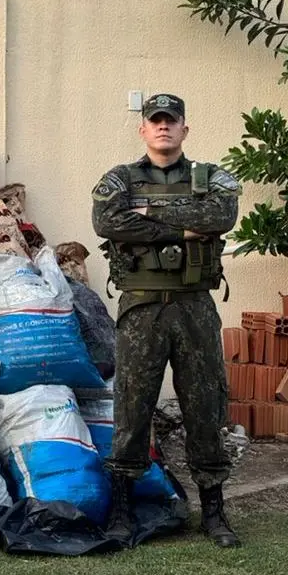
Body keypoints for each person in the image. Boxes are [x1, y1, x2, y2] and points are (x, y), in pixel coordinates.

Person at [91, 93, 241, 549]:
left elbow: (221, 214)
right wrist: (180, 229)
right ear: (143, 129)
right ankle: (122, 510)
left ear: (184, 129)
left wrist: (148, 214)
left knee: (204, 405)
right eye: (154, 121)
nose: (162, 128)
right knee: (132, 407)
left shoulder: (212, 177)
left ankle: (214, 512)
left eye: (170, 121)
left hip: (194, 306)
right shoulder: (119, 178)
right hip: (141, 309)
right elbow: (106, 221)